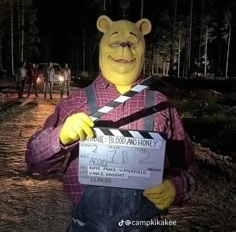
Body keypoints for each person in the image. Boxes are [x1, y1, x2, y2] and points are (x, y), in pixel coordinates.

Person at [25, 15, 197, 232]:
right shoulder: (75, 103)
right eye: (115, 41)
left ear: (143, 50)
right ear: (102, 47)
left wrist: (176, 187)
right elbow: (34, 162)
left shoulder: (162, 107)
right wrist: (59, 137)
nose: (124, 48)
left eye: (132, 42)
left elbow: (188, 166)